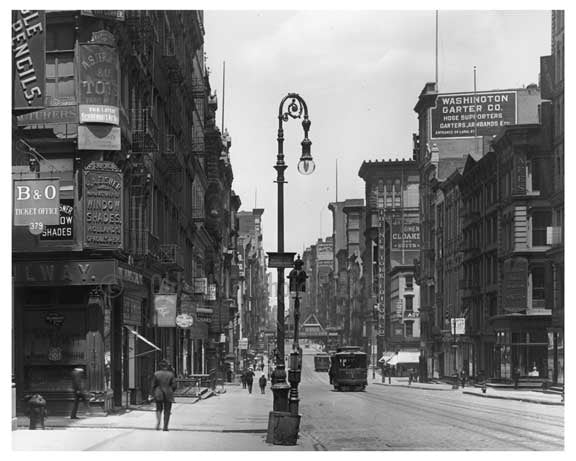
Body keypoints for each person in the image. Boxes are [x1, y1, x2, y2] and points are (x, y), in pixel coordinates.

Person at [151, 359, 177, 431]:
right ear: (167, 366)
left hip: (158, 393)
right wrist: (171, 390)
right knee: (167, 410)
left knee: (158, 409)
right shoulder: (171, 374)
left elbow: (153, 385)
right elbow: (174, 385)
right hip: (168, 394)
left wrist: (153, 393)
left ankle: (158, 422)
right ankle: (165, 426)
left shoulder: (156, 374)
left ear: (160, 366)